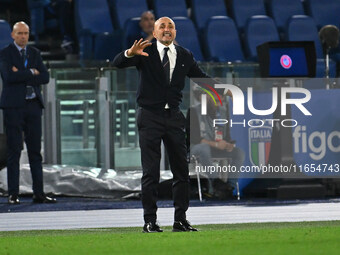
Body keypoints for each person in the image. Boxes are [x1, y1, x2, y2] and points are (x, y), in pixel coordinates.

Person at [113, 17, 223, 233]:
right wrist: (129, 53)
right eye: (161, 26)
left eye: (170, 26)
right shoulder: (145, 51)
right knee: (150, 172)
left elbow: (200, 78)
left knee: (181, 171)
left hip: (174, 117)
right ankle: (150, 221)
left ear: (175, 32)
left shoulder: (184, 55)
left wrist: (223, 88)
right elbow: (117, 63)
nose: (166, 29)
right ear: (154, 33)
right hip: (150, 117)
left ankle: (180, 220)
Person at [0, 21, 56, 204]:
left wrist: (21, 73)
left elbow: (45, 77)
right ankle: (13, 194)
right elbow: (8, 76)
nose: (23, 36)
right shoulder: (5, 54)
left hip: (33, 106)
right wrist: (31, 72)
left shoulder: (34, 53)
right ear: (13, 35)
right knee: (14, 150)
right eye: (20, 33)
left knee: (35, 152)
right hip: (14, 107)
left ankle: (38, 193)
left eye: (26, 33)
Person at [187, 91, 245, 199]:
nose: (218, 102)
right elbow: (193, 138)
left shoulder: (223, 112)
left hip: (216, 147)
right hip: (197, 147)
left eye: (220, 100)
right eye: (216, 99)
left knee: (239, 152)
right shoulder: (194, 111)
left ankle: (229, 187)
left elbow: (226, 135)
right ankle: (216, 182)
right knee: (204, 148)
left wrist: (228, 144)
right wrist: (215, 145)